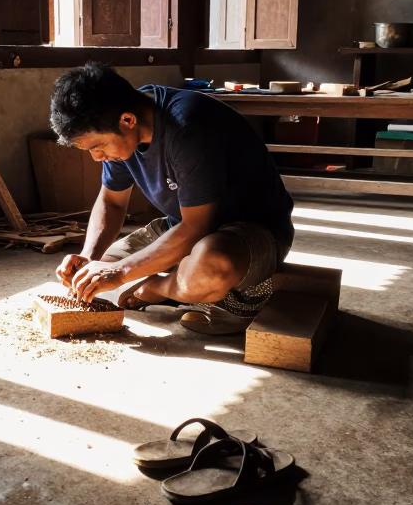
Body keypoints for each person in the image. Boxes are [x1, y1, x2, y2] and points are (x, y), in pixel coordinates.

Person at [50, 63, 295, 335]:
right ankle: (179, 283)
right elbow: (112, 202)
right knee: (99, 270)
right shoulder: (119, 126)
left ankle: (161, 288)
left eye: (97, 147)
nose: (96, 157)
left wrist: (123, 273)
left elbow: (197, 228)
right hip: (180, 226)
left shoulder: (187, 126)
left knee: (209, 269)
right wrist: (88, 257)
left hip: (251, 231)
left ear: (128, 120)